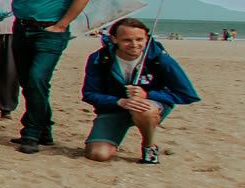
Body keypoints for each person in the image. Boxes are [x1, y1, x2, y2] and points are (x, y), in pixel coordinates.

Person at [3, 0, 97, 153]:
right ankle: (45, 129)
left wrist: (62, 24)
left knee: (37, 78)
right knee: (28, 82)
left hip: (49, 30)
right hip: (22, 26)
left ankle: (31, 133)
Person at [82, 18, 198, 165]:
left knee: (143, 108)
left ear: (147, 38)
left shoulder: (161, 60)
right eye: (127, 40)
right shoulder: (99, 59)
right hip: (114, 108)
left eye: (139, 39)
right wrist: (120, 101)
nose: (134, 45)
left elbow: (188, 95)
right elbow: (89, 94)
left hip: (149, 107)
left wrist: (148, 95)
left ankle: (149, 146)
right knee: (97, 154)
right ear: (114, 39)